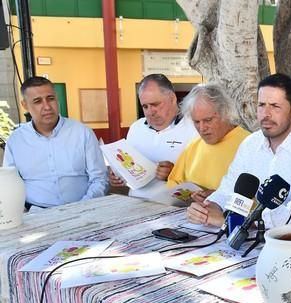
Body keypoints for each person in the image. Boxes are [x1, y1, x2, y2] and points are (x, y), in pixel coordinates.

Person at [187, 73, 291, 228]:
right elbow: (227, 190)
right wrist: (209, 209)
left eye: (275, 106)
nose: (266, 114)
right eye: (261, 105)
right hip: (250, 240)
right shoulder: (251, 144)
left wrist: (242, 223)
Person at [3, 76, 108, 208]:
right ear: (25, 105)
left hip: (83, 209)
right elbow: (9, 183)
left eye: (50, 98)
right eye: (37, 101)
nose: (47, 107)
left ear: (57, 99)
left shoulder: (82, 133)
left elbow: (99, 179)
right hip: (36, 214)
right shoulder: (16, 141)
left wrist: (82, 207)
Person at [109, 73, 197, 199]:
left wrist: (175, 174)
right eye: (145, 106)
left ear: (172, 98)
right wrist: (118, 175)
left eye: (155, 104)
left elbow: (205, 177)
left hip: (176, 209)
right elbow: (130, 169)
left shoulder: (194, 128)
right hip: (136, 203)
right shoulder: (136, 128)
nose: (150, 112)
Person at [166, 83, 250, 202]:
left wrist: (220, 198)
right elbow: (173, 184)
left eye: (208, 120)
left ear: (225, 113)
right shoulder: (193, 146)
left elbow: (259, 199)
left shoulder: (250, 144)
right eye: (196, 121)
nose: (202, 128)